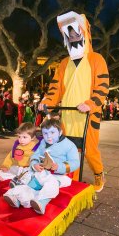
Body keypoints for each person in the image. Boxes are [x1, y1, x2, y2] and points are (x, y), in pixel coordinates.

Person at [38, 11, 109, 192]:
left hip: (88, 115)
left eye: (76, 33)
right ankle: (72, 183)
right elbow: (55, 88)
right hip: (67, 114)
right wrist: (47, 101)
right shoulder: (63, 63)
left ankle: (99, 174)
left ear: (84, 33)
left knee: (89, 150)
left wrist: (91, 103)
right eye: (69, 35)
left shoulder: (96, 59)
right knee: (69, 151)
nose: (73, 37)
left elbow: (102, 87)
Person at [3, 118, 79, 214]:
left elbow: (75, 162)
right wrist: (35, 164)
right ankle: (16, 198)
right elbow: (35, 155)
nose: (48, 136)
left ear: (60, 132)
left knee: (52, 183)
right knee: (30, 184)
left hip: (60, 176)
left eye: (52, 132)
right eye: (45, 133)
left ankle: (42, 202)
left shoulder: (69, 145)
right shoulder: (43, 142)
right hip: (42, 172)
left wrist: (59, 167)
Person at [0, 122, 40, 190]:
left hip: (28, 170)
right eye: (19, 136)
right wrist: (5, 166)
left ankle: (6, 182)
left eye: (24, 137)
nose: (21, 140)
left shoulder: (36, 147)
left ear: (33, 137)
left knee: (24, 177)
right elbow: (10, 157)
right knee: (2, 172)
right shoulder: (18, 146)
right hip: (18, 168)